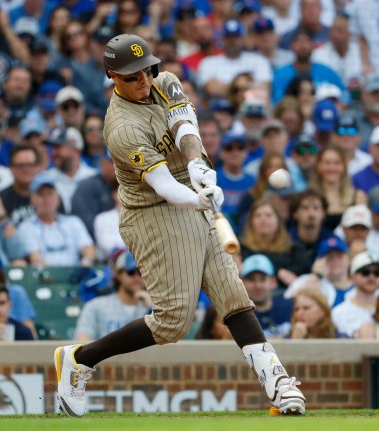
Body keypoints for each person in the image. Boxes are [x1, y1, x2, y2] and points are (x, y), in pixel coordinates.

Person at [53, 34, 306, 419]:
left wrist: (197, 166)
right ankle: (79, 359)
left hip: (188, 193)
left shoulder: (165, 80)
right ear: (111, 77)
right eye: (131, 75)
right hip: (154, 211)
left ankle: (278, 383)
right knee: (173, 321)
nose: (143, 80)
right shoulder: (122, 127)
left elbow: (186, 126)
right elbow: (164, 186)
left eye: (146, 70)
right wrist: (198, 196)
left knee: (233, 294)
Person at [74, 250, 151, 342]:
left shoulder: (152, 309)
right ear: (118, 274)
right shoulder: (96, 306)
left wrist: (151, 309)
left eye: (141, 272)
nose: (137, 277)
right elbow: (82, 341)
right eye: (130, 272)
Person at [241, 254, 293, 338]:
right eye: (251, 280)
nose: (258, 286)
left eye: (263, 279)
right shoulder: (240, 319)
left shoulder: (291, 307)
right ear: (242, 283)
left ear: (273, 282)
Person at [331, 251, 379, 338]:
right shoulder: (339, 313)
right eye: (365, 272)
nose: (372, 277)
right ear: (352, 277)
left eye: (377, 273)